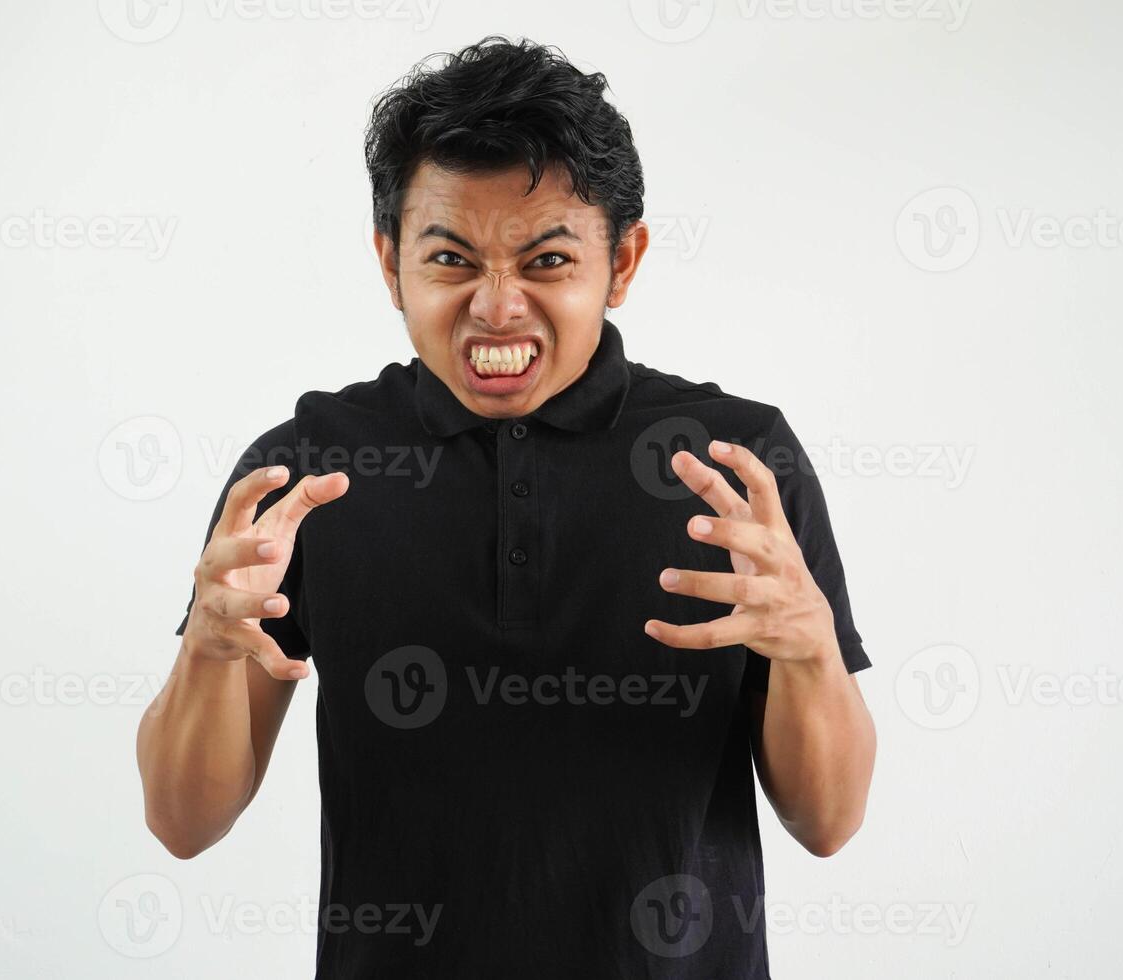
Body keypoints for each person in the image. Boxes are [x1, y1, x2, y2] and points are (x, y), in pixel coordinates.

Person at [137, 35, 876, 979]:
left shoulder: (735, 464)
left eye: (546, 260)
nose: (496, 308)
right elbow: (181, 822)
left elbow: (831, 822)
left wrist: (810, 644)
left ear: (624, 261)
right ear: (389, 261)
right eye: (450, 257)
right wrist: (206, 643)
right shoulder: (308, 470)